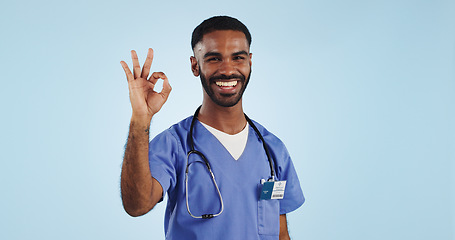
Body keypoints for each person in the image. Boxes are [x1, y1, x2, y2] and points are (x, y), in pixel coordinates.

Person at [120, 16, 304, 240]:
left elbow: (280, 233)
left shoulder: (273, 149)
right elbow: (136, 206)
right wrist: (140, 119)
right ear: (195, 65)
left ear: (250, 62)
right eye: (214, 58)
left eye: (238, 58)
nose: (228, 70)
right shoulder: (173, 144)